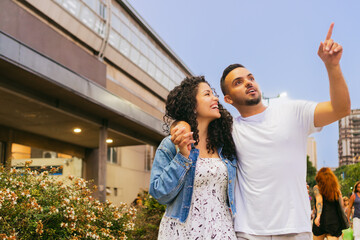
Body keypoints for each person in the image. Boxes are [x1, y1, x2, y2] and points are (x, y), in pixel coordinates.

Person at [171, 23, 350, 240]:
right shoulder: (228, 130)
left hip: (295, 228)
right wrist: (181, 125)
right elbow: (198, 123)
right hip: (248, 232)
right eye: (238, 82)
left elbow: (340, 109)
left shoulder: (293, 111)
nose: (248, 83)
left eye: (250, 78)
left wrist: (332, 66)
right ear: (227, 99)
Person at [149, 76, 238, 239]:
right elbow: (159, 193)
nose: (215, 98)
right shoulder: (171, 144)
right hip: (182, 231)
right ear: (193, 106)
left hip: (221, 231)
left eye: (214, 94)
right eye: (207, 94)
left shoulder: (225, 145)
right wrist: (183, 155)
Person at [312, 167, 345, 239]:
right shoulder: (336, 190)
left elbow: (319, 200)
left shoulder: (317, 188)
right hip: (333, 221)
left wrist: (318, 216)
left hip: (320, 221)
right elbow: (341, 205)